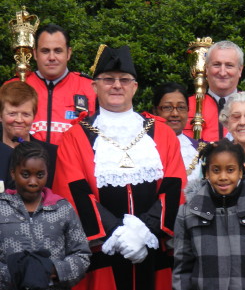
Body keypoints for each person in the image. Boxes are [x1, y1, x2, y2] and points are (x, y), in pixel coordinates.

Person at [52, 45, 186, 290]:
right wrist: (116, 233)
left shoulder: (163, 133)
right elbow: (73, 191)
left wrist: (145, 232)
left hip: (152, 250)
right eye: (108, 79)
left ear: (135, 87)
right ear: (94, 86)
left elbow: (176, 186)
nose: (116, 85)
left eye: (124, 80)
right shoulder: (74, 137)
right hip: (102, 251)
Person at [173, 138, 245, 290]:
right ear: (206, 173)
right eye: (216, 170)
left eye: (230, 170)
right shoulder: (188, 212)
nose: (223, 177)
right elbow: (182, 268)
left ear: (241, 171)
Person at [0, 141, 90, 289]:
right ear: (13, 173)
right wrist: (18, 273)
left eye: (40, 175)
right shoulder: (2, 207)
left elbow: (82, 254)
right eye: (25, 174)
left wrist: (54, 270)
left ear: (47, 173)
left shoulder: (62, 208)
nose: (33, 182)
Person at [3, 24, 97, 145]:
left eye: (58, 51)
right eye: (45, 51)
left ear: (68, 53)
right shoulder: (13, 86)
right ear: (35, 54)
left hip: (71, 162)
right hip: (23, 161)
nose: (52, 57)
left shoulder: (90, 88)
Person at [0, 81, 57, 188]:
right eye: (12, 113)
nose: (19, 120)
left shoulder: (52, 154)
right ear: (0, 115)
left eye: (26, 114)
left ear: (34, 116)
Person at [184, 40, 244, 141]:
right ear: (206, 68)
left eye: (229, 65)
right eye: (217, 64)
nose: (222, 72)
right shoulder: (186, 106)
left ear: (240, 70)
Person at [153, 82, 202, 181]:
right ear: (155, 111)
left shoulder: (198, 149)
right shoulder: (145, 146)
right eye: (167, 107)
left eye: (181, 107)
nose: (175, 113)